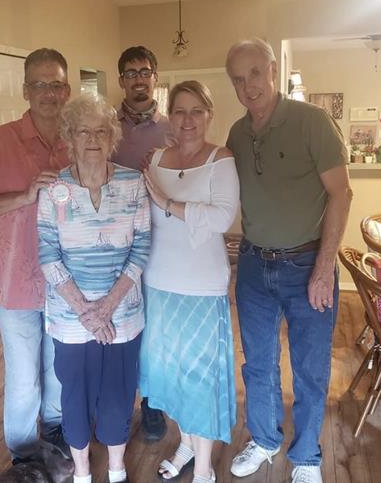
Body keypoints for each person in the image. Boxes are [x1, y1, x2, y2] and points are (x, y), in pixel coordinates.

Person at [224, 38, 352, 483]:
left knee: (310, 369)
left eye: (255, 73)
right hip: (254, 265)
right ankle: (263, 439)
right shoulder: (237, 134)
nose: (248, 86)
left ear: (273, 70)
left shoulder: (312, 121)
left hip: (307, 264)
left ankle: (307, 458)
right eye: (238, 79)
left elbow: (342, 194)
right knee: (257, 364)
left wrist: (324, 268)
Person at [0, 48, 72, 465]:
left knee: (60, 366)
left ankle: (57, 430)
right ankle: (24, 455)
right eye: (39, 84)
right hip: (15, 283)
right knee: (24, 374)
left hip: (67, 282)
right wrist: (24, 197)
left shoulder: (78, 141)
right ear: (25, 90)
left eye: (56, 84)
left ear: (67, 90)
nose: (48, 93)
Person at [37, 94, 151, 483]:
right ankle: (83, 472)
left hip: (123, 313)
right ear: (69, 136)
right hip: (71, 319)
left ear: (112, 137)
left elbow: (142, 246)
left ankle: (117, 468)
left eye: (101, 131)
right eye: (83, 131)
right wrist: (86, 311)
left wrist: (107, 307)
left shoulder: (133, 182)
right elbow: (48, 256)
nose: (92, 139)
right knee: (76, 396)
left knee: (119, 393)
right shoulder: (54, 189)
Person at [140, 80, 240, 483]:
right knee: (171, 374)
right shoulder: (156, 158)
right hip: (158, 282)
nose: (187, 119)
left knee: (200, 380)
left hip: (201, 287)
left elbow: (222, 218)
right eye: (179, 111)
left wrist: (167, 203)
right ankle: (185, 443)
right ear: (169, 116)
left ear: (209, 115)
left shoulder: (221, 158)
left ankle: (203, 468)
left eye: (197, 111)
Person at [112, 45, 171, 441]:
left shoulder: (172, 128)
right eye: (131, 73)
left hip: (163, 241)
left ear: (155, 77)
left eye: (145, 72)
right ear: (121, 80)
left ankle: (152, 404)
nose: (138, 79)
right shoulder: (106, 127)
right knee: (119, 324)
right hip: (115, 242)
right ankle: (117, 404)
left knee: (154, 327)